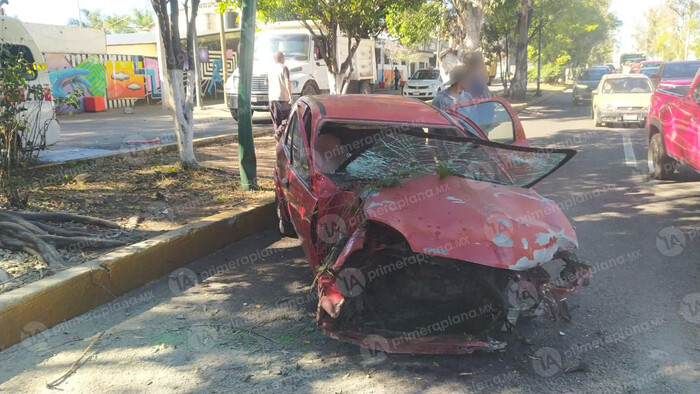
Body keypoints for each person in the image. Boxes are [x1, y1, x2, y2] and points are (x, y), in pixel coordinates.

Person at [268, 51, 293, 140]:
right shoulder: (284, 68)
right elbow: (287, 81)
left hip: (271, 98)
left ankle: (278, 141)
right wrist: (290, 95)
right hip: (282, 97)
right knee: (288, 118)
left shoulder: (270, 69)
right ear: (282, 58)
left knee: (276, 121)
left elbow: (266, 82)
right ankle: (278, 134)